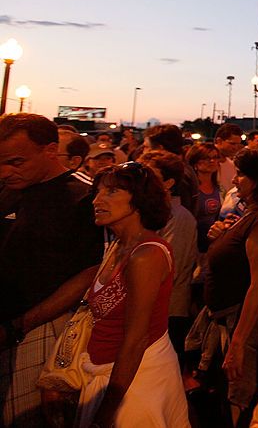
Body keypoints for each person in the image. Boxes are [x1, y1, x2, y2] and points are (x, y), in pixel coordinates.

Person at [0, 114, 104, 427]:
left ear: (49, 150)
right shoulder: (8, 189)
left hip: (41, 332)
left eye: (16, 162)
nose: (6, 171)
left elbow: (93, 271)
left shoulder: (84, 197)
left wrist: (22, 324)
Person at [77, 162, 189, 427]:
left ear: (140, 200)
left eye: (112, 192)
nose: (97, 200)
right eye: (98, 192)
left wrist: (106, 412)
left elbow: (136, 338)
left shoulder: (146, 254)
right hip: (112, 372)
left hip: (138, 382)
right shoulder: (118, 246)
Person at [187, 146, 258, 424]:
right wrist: (220, 236)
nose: (235, 180)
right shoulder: (251, 214)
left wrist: (237, 344)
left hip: (242, 326)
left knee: (238, 405)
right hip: (225, 320)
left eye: (242, 174)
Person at [137, 150, 198, 358]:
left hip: (167, 311)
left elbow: (171, 268)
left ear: (169, 183)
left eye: (149, 176)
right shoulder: (153, 212)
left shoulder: (178, 217)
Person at [186, 142, 223, 255]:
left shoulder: (218, 187)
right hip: (191, 243)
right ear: (195, 161)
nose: (212, 161)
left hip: (210, 244)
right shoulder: (189, 188)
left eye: (215, 157)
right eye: (206, 158)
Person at [214, 124, 245, 196]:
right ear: (219, 141)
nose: (236, 148)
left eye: (238, 144)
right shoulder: (204, 163)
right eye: (232, 144)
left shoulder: (232, 165)